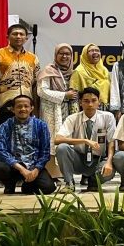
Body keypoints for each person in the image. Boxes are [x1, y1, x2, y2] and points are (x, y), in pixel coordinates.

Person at [0, 23, 40, 165]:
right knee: (0, 139)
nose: (18, 36)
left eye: (22, 34)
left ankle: (21, 172)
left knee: (24, 141)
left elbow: (35, 85)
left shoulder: (33, 58)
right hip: (4, 104)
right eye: (15, 34)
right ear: (8, 36)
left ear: (26, 38)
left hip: (26, 106)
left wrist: (35, 109)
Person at [54, 87, 116, 193]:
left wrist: (109, 162)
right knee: (62, 148)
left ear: (99, 102)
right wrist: (84, 141)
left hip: (99, 159)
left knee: (110, 170)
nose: (90, 104)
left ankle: (94, 181)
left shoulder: (108, 117)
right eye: (86, 101)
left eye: (93, 101)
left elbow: (112, 142)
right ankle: (69, 183)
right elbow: (57, 139)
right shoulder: (73, 118)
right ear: (80, 103)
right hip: (79, 158)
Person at [0, 94, 55, 195]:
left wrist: (36, 170)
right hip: (13, 166)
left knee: (49, 188)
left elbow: (45, 152)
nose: (23, 109)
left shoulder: (41, 125)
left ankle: (27, 185)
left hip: (33, 165)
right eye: (19, 106)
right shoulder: (5, 126)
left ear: (31, 108)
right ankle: (9, 184)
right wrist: (21, 169)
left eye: (26, 106)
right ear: (12, 109)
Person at [36, 45, 78, 174]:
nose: (64, 56)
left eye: (67, 54)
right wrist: (64, 95)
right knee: (51, 140)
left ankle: (65, 174)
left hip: (68, 111)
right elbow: (41, 91)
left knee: (67, 140)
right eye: (61, 53)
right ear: (56, 55)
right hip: (52, 111)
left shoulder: (73, 73)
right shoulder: (48, 71)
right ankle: (52, 174)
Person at [70, 43, 112, 112]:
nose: (95, 52)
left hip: (106, 111)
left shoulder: (104, 70)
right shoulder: (79, 71)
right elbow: (74, 97)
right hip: (87, 111)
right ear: (85, 54)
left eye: (97, 50)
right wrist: (75, 115)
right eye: (91, 51)